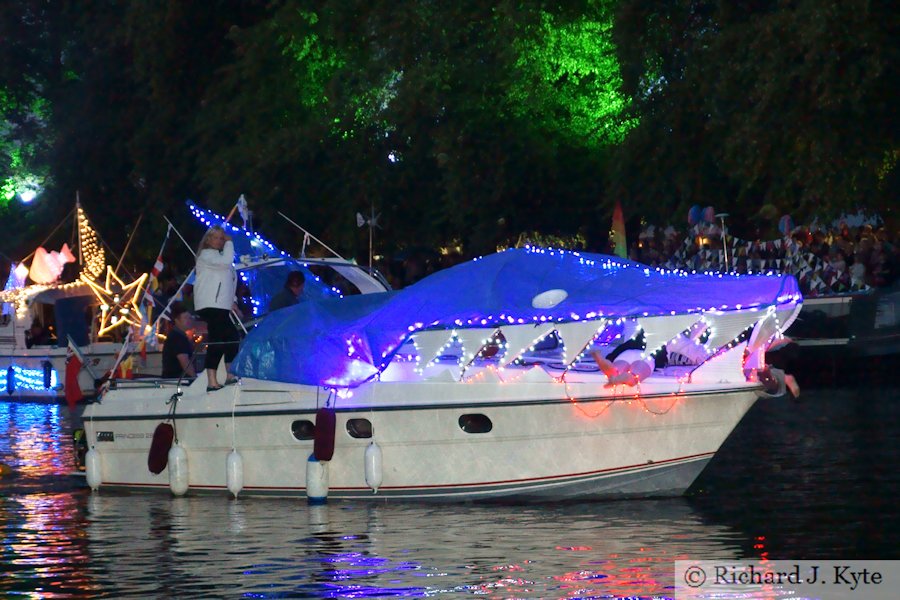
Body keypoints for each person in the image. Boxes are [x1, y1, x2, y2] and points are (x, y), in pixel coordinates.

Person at [194, 225, 240, 391]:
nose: (221, 241)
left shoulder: (217, 258)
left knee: (229, 338)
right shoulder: (207, 255)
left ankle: (228, 375)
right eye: (218, 238)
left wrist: (232, 302)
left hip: (220, 305)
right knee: (219, 340)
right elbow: (226, 262)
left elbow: (228, 281)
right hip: (211, 304)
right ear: (208, 239)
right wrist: (229, 243)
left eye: (223, 238)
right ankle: (213, 380)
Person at [161, 302, 196, 379]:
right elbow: (185, 362)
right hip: (177, 381)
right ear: (177, 320)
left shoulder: (177, 335)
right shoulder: (178, 338)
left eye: (190, 318)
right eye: (185, 318)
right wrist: (194, 378)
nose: (189, 320)